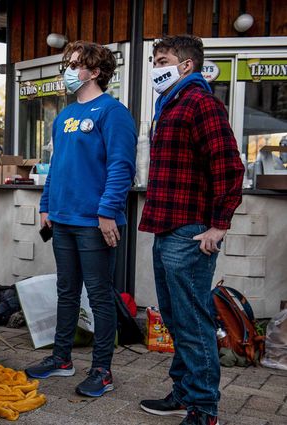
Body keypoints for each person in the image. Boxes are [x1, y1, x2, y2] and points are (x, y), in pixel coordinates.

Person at [138, 35, 244, 425]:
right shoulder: (171, 104)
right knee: (176, 317)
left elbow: (230, 167)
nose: (155, 66)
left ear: (185, 65)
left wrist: (219, 225)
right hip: (167, 227)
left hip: (191, 232)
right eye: (153, 59)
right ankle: (183, 393)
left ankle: (203, 408)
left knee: (193, 320)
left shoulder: (201, 103)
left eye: (161, 59)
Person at [24, 41, 137, 399]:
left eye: (76, 64)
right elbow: (56, 167)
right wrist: (46, 206)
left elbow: (122, 167)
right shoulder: (64, 116)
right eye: (68, 64)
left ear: (97, 71)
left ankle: (102, 371)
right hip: (62, 219)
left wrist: (107, 213)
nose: (69, 70)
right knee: (66, 291)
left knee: (100, 296)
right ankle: (61, 359)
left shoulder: (113, 112)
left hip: (95, 222)